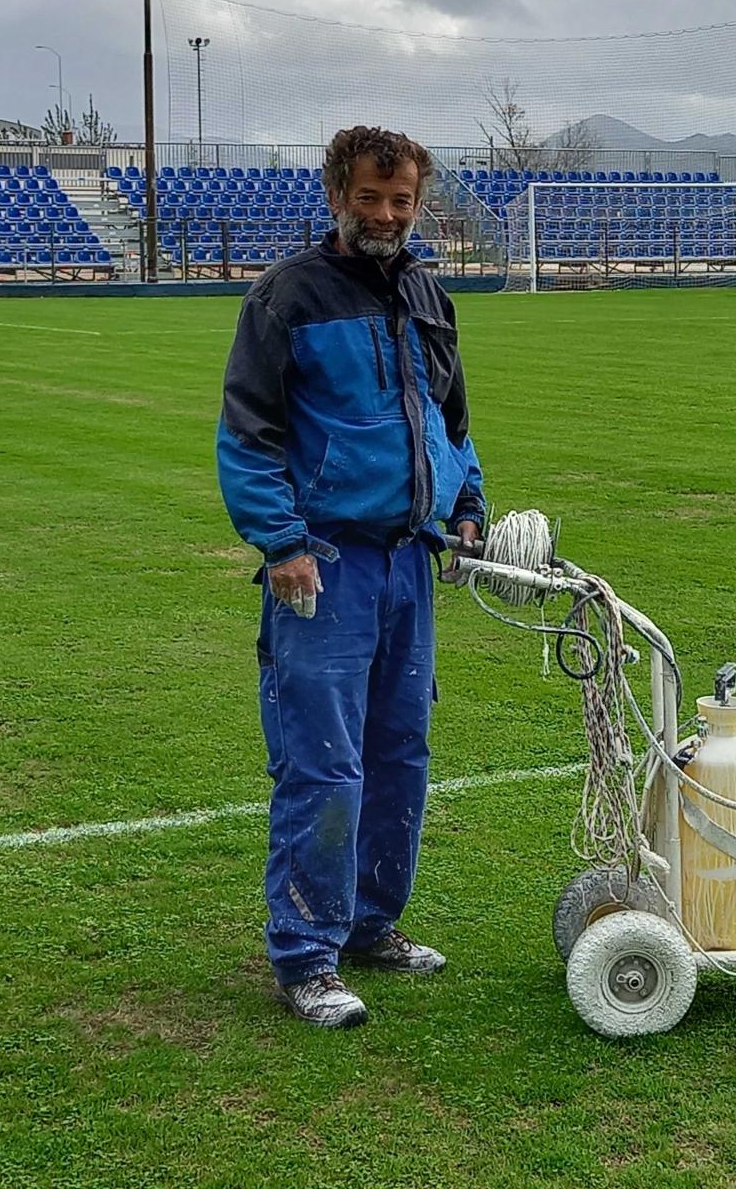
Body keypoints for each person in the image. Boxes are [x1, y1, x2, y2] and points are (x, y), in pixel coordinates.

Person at [216, 125, 486, 1028]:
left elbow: (451, 421)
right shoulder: (287, 297)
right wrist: (281, 540)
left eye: (400, 201)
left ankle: (373, 925)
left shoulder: (427, 292)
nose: (384, 215)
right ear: (337, 195)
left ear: (417, 202)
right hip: (323, 565)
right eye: (368, 199)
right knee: (322, 763)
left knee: (400, 755)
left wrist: (469, 504)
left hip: (411, 558)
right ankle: (305, 956)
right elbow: (249, 431)